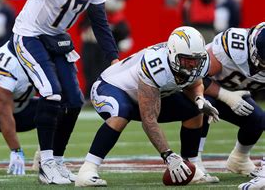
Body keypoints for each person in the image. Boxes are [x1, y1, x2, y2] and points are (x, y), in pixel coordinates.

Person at [0, 0, 119, 184]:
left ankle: (57, 161)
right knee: (51, 92)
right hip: (30, 34)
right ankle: (46, 162)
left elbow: (99, 20)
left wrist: (113, 56)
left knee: (73, 101)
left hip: (57, 37)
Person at [75, 26, 220, 187]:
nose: (193, 65)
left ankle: (192, 166)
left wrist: (199, 98)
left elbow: (195, 83)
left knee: (194, 110)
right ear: (172, 54)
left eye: (196, 60)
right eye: (187, 59)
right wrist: (168, 156)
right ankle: (87, 170)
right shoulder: (156, 66)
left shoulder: (200, 60)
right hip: (110, 87)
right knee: (122, 112)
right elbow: (149, 120)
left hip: (148, 94)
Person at [194, 23, 265, 177]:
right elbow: (195, 78)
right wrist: (225, 96)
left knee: (258, 118)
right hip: (200, 90)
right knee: (204, 105)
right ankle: (193, 159)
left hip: (236, 92)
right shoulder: (234, 46)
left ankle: (239, 159)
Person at [0, 41, 38, 175]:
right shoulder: (7, 61)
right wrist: (16, 150)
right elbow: (3, 111)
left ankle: (45, 157)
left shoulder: (41, 58)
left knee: (58, 106)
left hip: (19, 111)